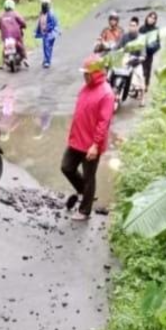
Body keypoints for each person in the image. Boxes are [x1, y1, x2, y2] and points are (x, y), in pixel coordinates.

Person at [61, 55, 115, 221]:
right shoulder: (85, 88)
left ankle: (85, 211)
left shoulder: (106, 93)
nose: (84, 76)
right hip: (77, 139)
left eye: (87, 73)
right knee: (66, 167)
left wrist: (95, 145)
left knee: (89, 177)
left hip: (91, 145)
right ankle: (85, 193)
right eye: (84, 73)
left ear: (97, 73)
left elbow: (103, 123)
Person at [0, 0, 27, 66]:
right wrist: (23, 26)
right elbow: (23, 22)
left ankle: (3, 62)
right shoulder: (15, 14)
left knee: (4, 47)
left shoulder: (1, 15)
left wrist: (1, 27)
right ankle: (24, 58)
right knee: (21, 45)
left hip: (5, 36)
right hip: (16, 35)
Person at [139, 11, 162, 96]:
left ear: (155, 20)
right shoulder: (142, 28)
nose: (151, 19)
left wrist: (152, 48)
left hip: (149, 53)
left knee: (147, 70)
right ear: (147, 17)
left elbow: (158, 44)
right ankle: (139, 86)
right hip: (141, 52)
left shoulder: (156, 30)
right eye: (150, 17)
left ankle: (146, 86)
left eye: (153, 18)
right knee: (140, 70)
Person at [34, 0, 60, 68]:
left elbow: (53, 24)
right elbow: (40, 23)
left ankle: (47, 61)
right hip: (45, 33)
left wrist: (47, 29)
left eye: (44, 4)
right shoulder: (42, 13)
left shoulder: (51, 14)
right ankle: (47, 59)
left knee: (47, 45)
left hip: (50, 33)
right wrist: (37, 31)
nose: (43, 6)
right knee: (47, 46)